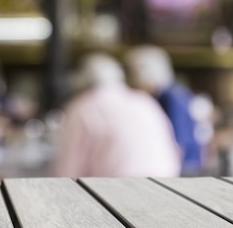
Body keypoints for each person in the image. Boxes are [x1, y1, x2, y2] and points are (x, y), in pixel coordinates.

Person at [53, 53, 181, 178]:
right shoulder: (144, 101)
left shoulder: (82, 107)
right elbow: (175, 150)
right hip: (167, 184)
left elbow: (68, 170)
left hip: (118, 189)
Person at [124, 45, 203, 174]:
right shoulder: (168, 94)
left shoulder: (171, 97)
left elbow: (177, 141)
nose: (131, 84)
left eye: (132, 75)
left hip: (185, 168)